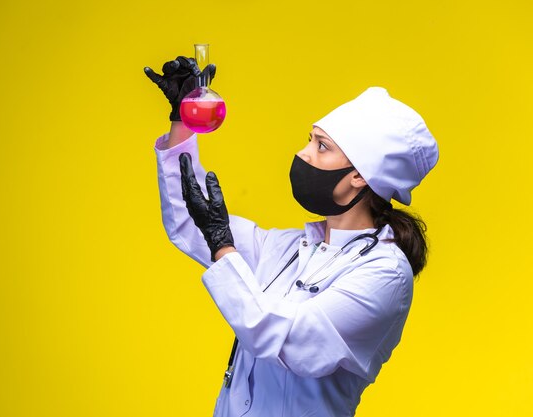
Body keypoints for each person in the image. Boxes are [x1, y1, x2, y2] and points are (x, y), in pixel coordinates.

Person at [145, 56, 439, 417]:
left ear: (360, 175)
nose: (303, 153)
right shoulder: (288, 248)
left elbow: (293, 344)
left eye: (322, 146)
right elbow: (190, 221)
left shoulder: (385, 274)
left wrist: (223, 247)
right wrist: (182, 122)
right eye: (309, 140)